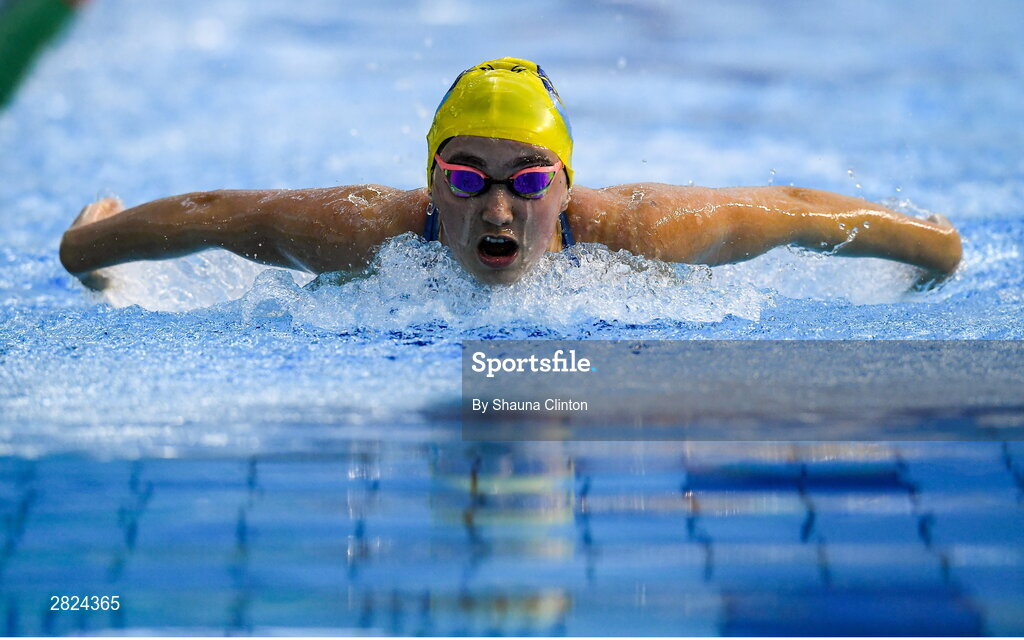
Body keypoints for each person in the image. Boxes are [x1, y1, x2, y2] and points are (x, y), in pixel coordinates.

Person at [59, 57, 962, 290]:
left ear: (568, 185)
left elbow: (792, 209)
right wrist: (88, 246)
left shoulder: (641, 231)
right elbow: (222, 211)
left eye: (529, 180)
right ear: (429, 182)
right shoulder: (363, 230)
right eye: (466, 178)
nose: (497, 205)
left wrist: (934, 248)